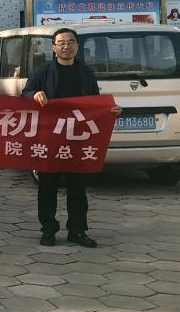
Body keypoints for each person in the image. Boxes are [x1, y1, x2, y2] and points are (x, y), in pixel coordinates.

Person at [23, 27, 121, 248]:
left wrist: (111, 111)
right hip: (50, 138)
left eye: (70, 42)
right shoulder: (42, 72)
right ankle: (48, 230)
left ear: (77, 46)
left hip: (77, 139)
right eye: (61, 43)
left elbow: (95, 104)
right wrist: (34, 94)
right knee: (47, 187)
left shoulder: (86, 73)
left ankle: (77, 231)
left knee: (78, 187)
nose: (66, 46)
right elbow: (25, 94)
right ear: (54, 47)